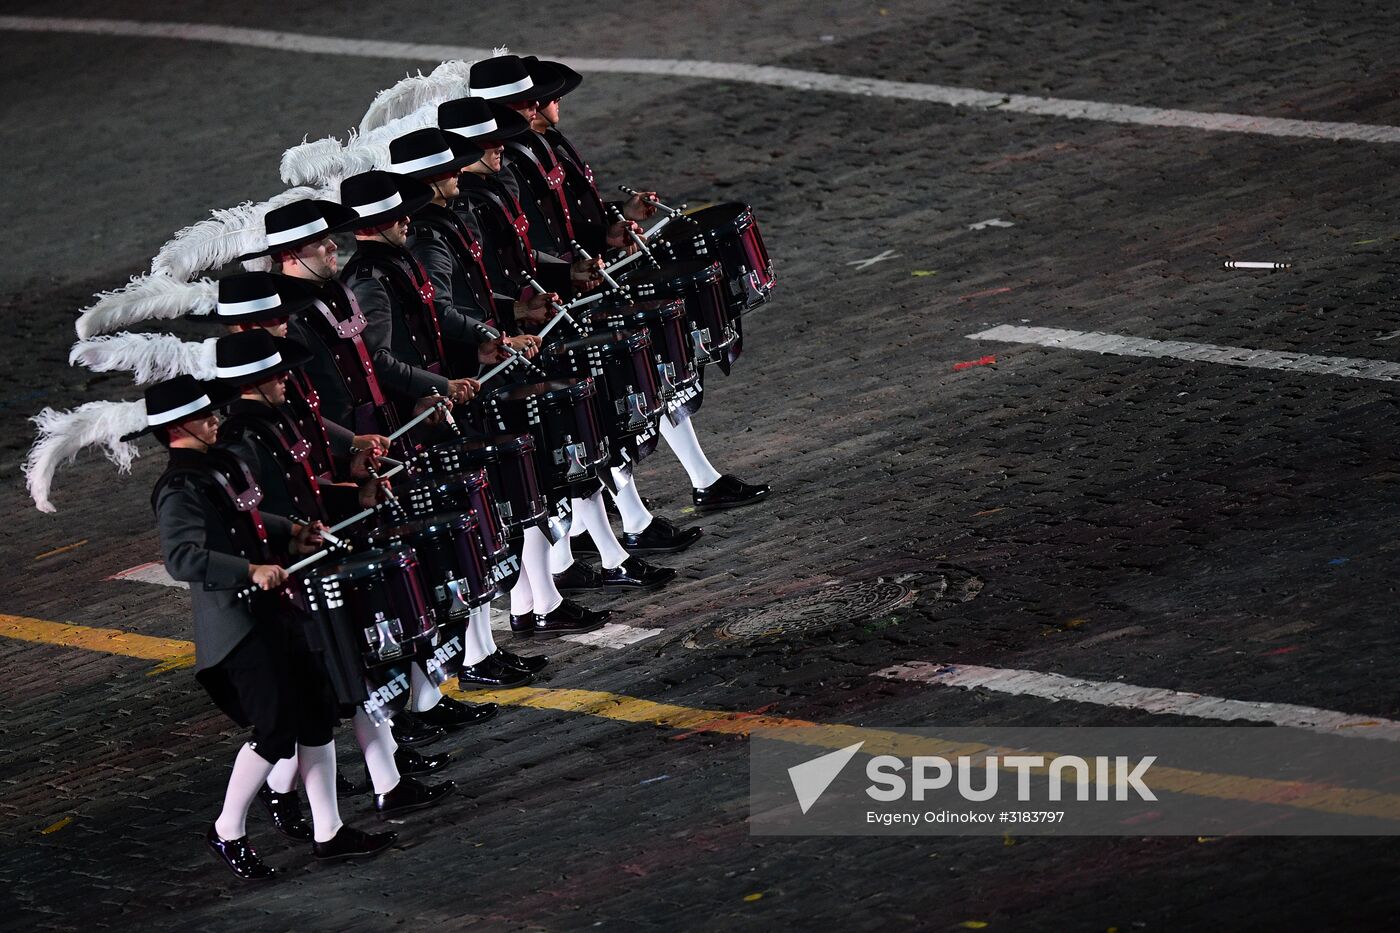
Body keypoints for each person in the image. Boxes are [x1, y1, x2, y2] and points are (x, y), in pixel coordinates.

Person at [139, 375, 397, 878]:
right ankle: (227, 829)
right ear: (176, 429)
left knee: (317, 713)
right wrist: (249, 570)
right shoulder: (178, 488)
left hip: (274, 610)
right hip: (238, 625)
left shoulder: (221, 465)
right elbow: (182, 558)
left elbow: (252, 518)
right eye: (205, 415)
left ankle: (330, 832)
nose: (216, 419)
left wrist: (295, 532)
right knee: (277, 730)